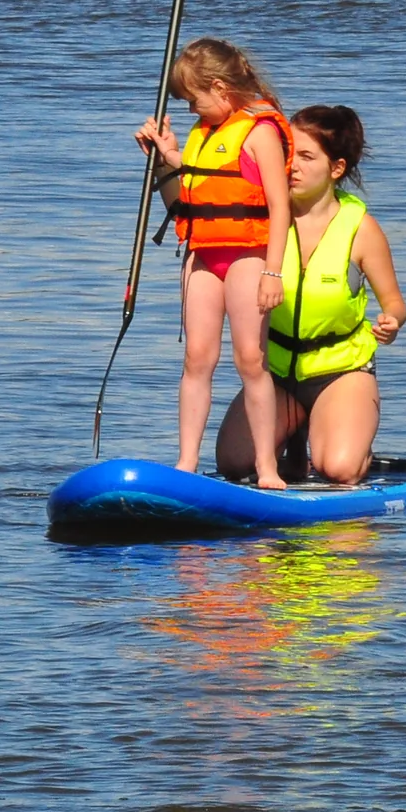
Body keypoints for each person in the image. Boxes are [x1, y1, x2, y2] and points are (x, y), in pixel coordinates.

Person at [215, 107, 406, 484]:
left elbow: (396, 303)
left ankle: (348, 437)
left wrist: (392, 322)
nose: (292, 167)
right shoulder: (262, 218)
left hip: (340, 371)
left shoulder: (362, 230)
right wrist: (166, 163)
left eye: (306, 157)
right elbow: (195, 212)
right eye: (288, 155)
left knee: (338, 469)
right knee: (234, 464)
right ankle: (295, 431)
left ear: (336, 168)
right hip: (275, 374)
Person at [135, 39, 294, 488]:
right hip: (203, 255)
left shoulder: (259, 131)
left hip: (249, 256)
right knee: (197, 357)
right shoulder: (204, 132)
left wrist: (273, 272)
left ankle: (267, 467)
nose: (190, 111)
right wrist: (167, 157)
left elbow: (280, 209)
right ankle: (186, 463)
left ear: (221, 88)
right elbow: (193, 190)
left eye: (194, 100)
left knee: (250, 360)